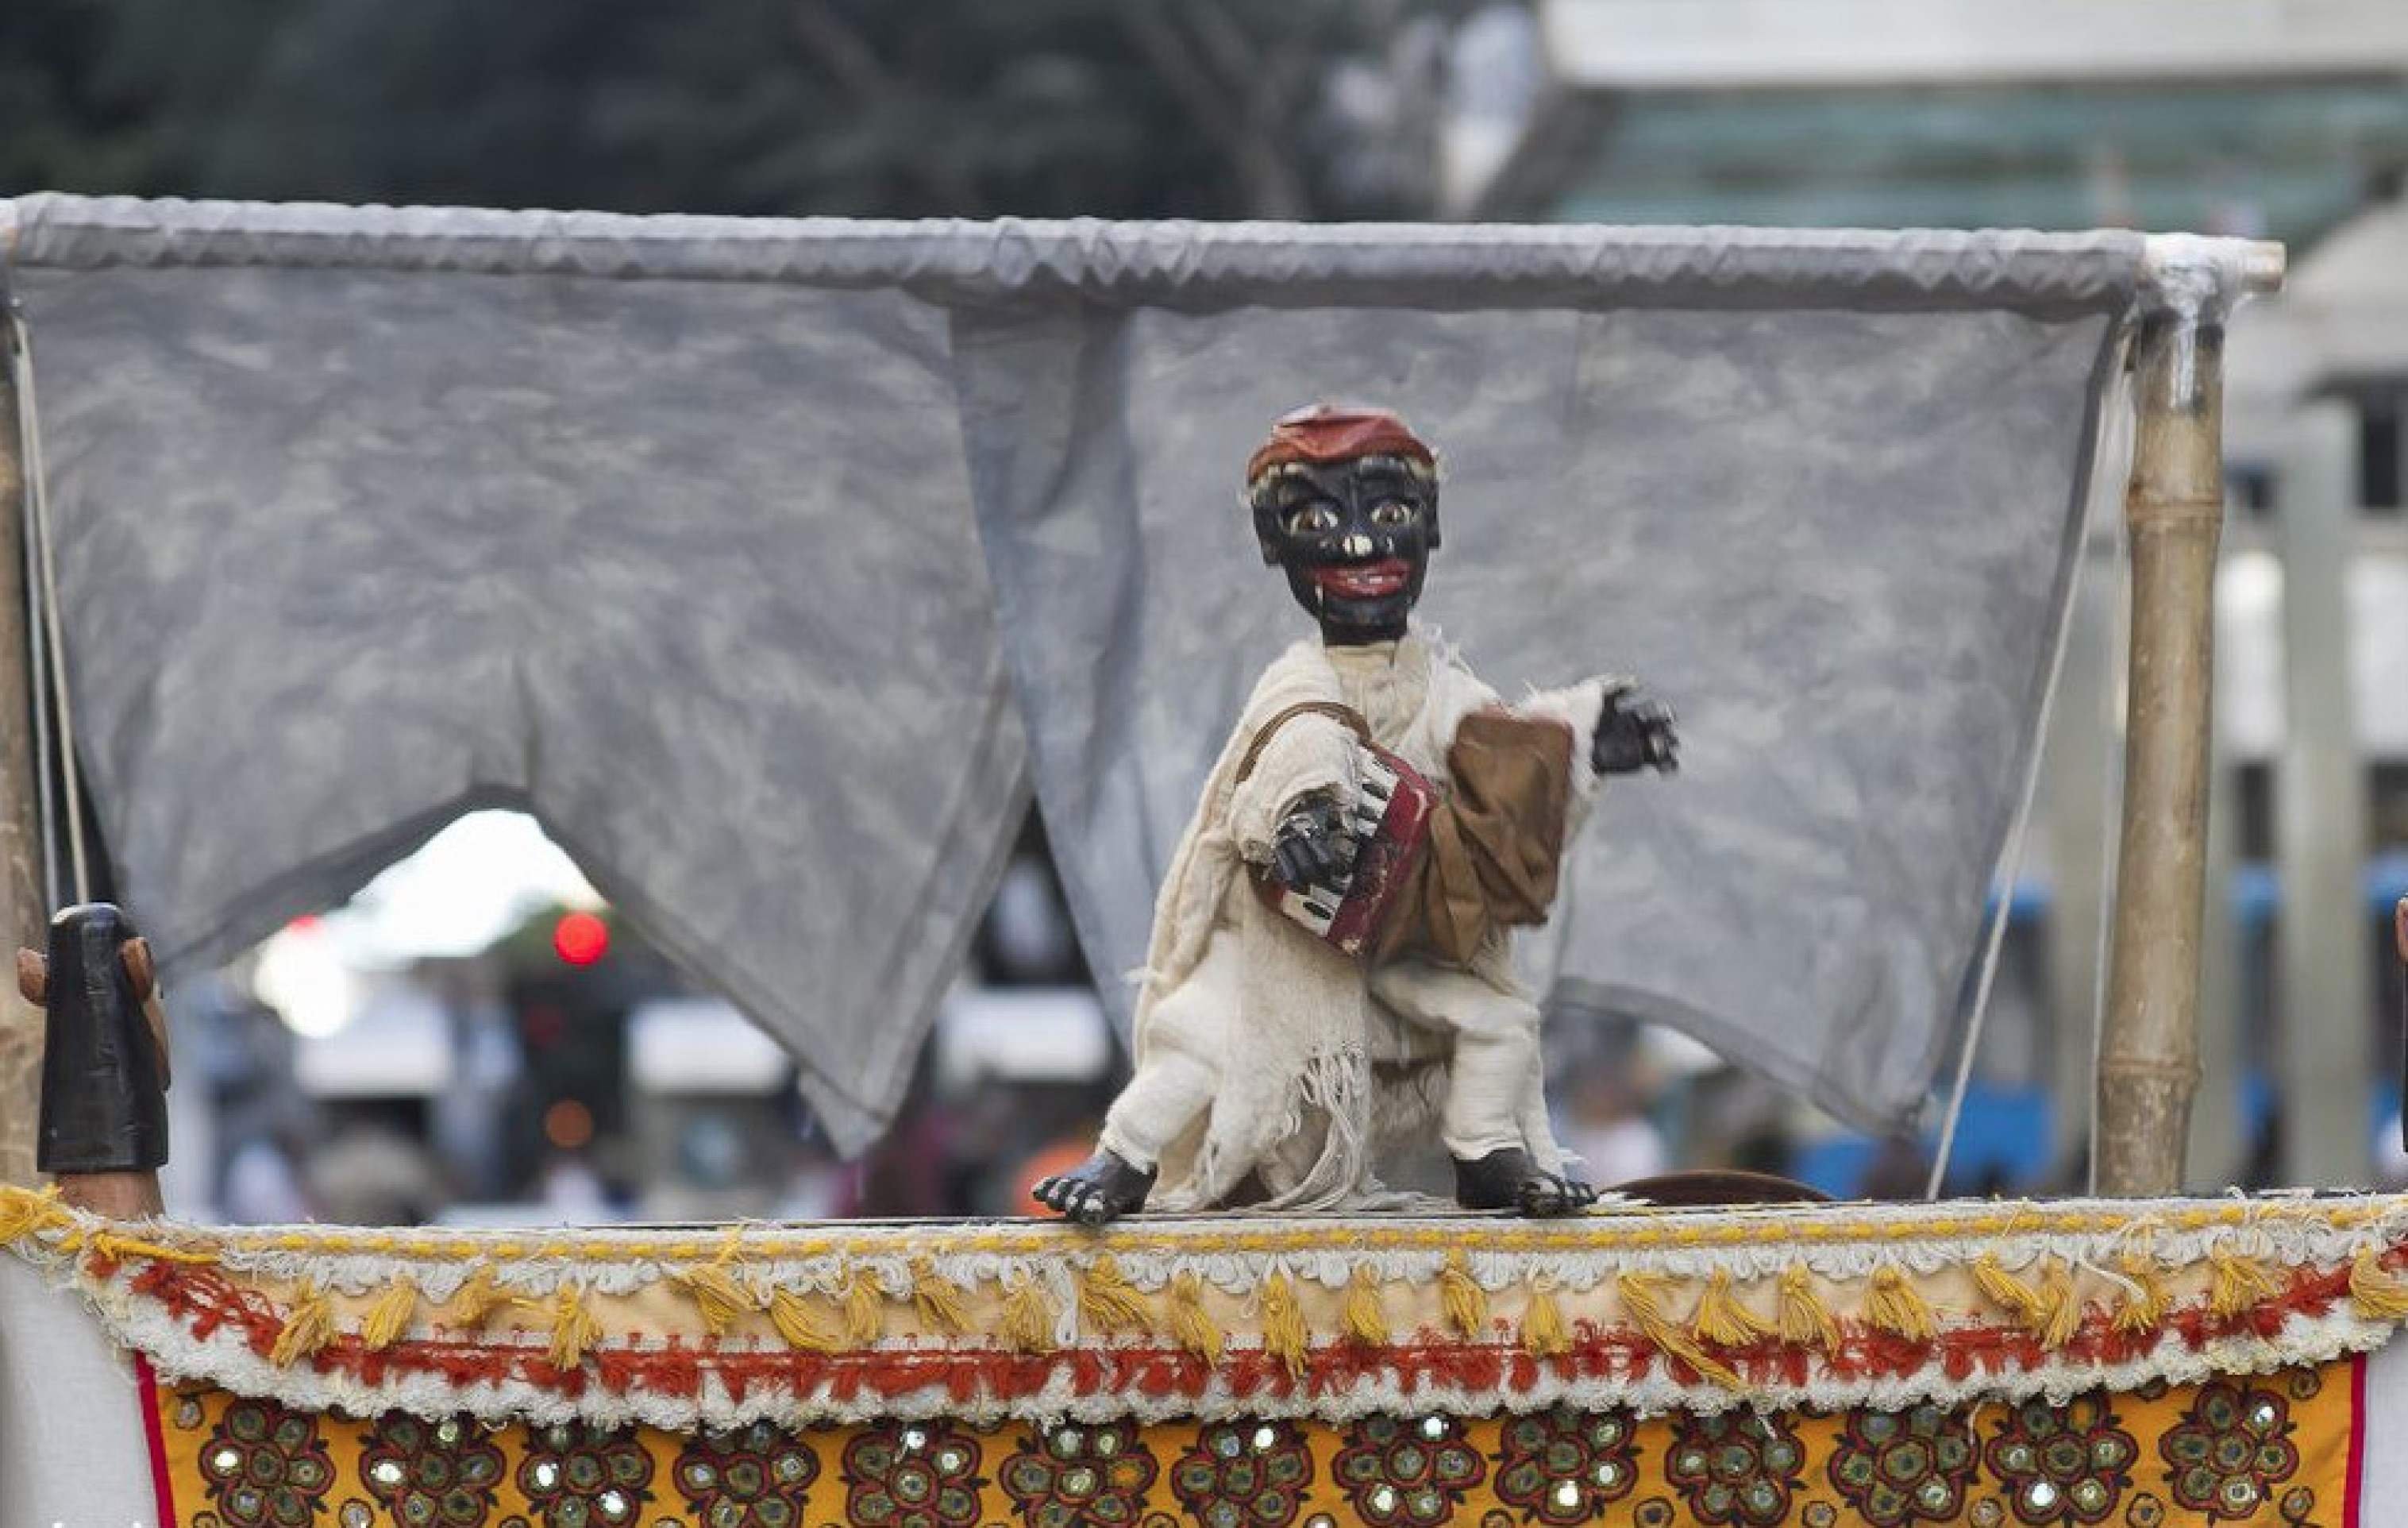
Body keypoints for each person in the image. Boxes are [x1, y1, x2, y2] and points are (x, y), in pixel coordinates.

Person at [1035, 404, 1675, 1223]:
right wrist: (1303, 815)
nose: (1359, 542)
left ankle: (1486, 1148)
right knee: (1203, 1034)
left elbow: (1508, 765)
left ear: (1430, 528)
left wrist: (1586, 739)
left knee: (1502, 1020)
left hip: (1399, 949)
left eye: (1390, 513)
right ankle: (1123, 1157)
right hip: (1286, 956)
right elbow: (1296, 744)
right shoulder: (1299, 678)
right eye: (1315, 517)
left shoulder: (1442, 689)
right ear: (1276, 544)